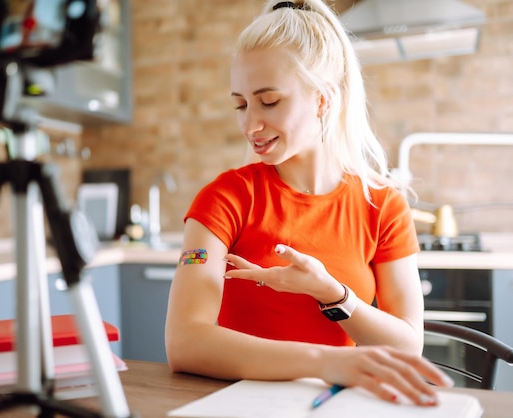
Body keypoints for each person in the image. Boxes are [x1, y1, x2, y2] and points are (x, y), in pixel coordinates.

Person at [164, 0, 454, 407]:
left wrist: (333, 295)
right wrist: (327, 362)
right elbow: (185, 343)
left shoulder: (383, 205)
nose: (250, 125)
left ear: (322, 99)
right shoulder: (225, 199)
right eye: (241, 104)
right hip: (235, 406)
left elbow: (408, 347)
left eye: (269, 101)